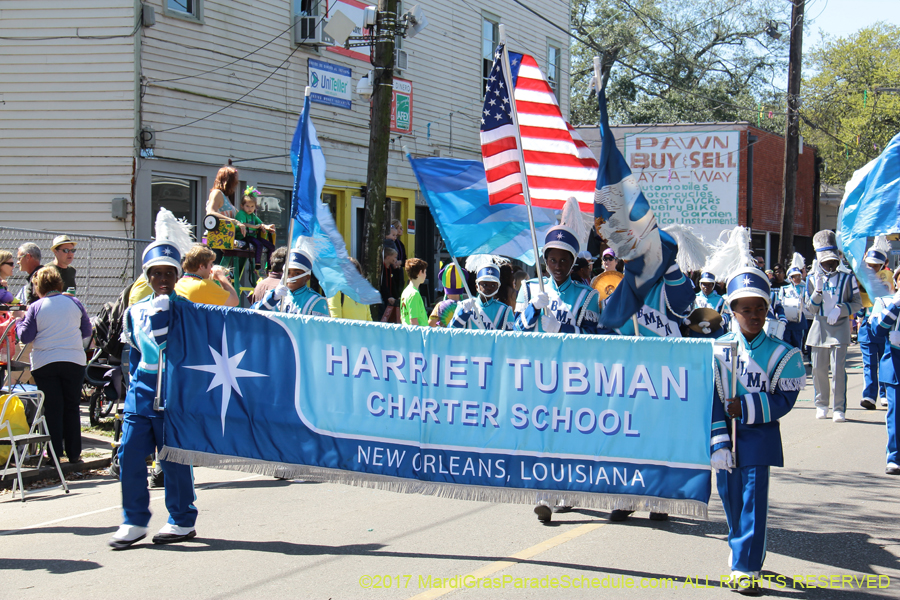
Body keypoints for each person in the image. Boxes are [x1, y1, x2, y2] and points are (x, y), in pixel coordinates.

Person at [710, 266, 805, 594]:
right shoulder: (718, 348)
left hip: (759, 436)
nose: (754, 315)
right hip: (725, 437)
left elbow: (785, 398)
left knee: (752, 500)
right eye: (746, 309)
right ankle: (741, 546)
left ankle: (746, 565)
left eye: (760, 308)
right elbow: (711, 398)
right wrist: (718, 439)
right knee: (730, 498)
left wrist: (747, 407)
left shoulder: (781, 352)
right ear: (733, 312)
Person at [108, 241, 198, 549]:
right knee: (129, 453)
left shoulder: (189, 311)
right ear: (147, 276)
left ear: (177, 276)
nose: (162, 279)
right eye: (156, 273)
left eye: (168, 274)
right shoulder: (134, 312)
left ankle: (182, 519)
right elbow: (134, 354)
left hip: (174, 395)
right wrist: (132, 389)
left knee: (173, 459)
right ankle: (133, 520)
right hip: (141, 392)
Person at [14, 266, 91, 463]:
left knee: (53, 408)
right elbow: (86, 330)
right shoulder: (75, 303)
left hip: (45, 362)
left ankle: (55, 453)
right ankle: (74, 453)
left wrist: (18, 321)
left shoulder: (36, 307)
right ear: (59, 283)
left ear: (39, 287)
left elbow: (26, 335)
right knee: (72, 406)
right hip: (74, 360)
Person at [805, 230, 861, 423]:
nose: (830, 265)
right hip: (819, 328)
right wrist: (817, 291)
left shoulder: (848, 278)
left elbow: (857, 303)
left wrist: (842, 308)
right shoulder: (811, 278)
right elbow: (810, 308)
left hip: (840, 327)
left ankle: (839, 408)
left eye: (833, 261)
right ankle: (821, 404)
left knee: (838, 370)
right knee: (818, 370)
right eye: (826, 262)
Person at [871, 267, 900, 475]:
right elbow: (877, 330)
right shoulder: (885, 302)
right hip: (895, 364)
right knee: (896, 414)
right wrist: (896, 306)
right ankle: (894, 456)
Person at [252, 248, 329, 316]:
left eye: (297, 273)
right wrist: (273, 298)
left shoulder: (316, 301)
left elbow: (319, 331)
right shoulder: (274, 295)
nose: (291, 276)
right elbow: (252, 314)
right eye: (288, 272)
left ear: (307, 277)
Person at [450, 261, 514, 331]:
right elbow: (450, 334)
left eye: (493, 285)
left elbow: (510, 339)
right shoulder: (464, 306)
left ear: (498, 287)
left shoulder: (505, 311)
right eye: (484, 284)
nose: (489, 288)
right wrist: (461, 316)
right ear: (477, 286)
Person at [174, 245, 239, 307]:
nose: (211, 267)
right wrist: (221, 277)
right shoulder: (203, 285)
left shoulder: (178, 283)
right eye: (210, 264)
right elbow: (234, 301)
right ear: (201, 266)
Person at [235, 187, 276, 271]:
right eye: (247, 206)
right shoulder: (241, 213)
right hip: (244, 236)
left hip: (252, 236)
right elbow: (242, 224)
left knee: (271, 246)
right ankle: (257, 265)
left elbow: (261, 224)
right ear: (242, 206)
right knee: (258, 244)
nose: (250, 209)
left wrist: (267, 227)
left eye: (252, 206)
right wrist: (255, 227)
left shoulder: (253, 215)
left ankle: (269, 265)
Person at [206, 165, 246, 239]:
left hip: (226, 239)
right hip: (216, 239)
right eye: (234, 180)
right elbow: (210, 212)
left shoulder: (225, 197)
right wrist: (233, 221)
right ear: (228, 181)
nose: (236, 183)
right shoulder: (217, 193)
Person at [777, 264, 809, 352]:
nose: (798, 278)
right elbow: (780, 301)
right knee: (786, 342)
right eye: (795, 277)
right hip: (787, 319)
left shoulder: (804, 288)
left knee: (797, 342)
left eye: (799, 276)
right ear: (790, 278)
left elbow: (807, 302)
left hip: (798, 319)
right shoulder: (784, 289)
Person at [400, 258, 428, 326]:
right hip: (417, 335)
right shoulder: (414, 294)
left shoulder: (405, 291)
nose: (425, 275)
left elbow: (402, 317)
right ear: (420, 272)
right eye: (425, 272)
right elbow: (413, 321)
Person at [379, 247, 403, 321]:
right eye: (395, 257)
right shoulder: (382, 268)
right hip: (383, 299)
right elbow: (383, 284)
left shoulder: (390, 268)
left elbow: (394, 284)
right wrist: (388, 296)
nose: (396, 260)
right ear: (388, 257)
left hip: (390, 298)